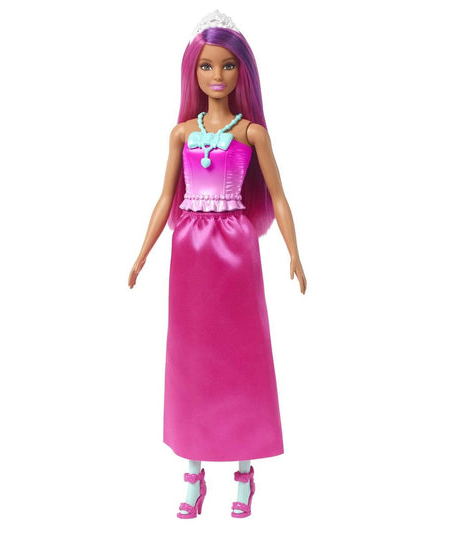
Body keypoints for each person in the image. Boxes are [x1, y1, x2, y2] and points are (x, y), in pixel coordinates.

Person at [128, 10, 307, 519]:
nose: (217, 75)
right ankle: (193, 472)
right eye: (207, 66)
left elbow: (278, 195)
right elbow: (165, 198)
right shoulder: (182, 134)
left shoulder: (251, 133)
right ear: (194, 71)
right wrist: (142, 253)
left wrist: (294, 252)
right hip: (190, 251)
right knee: (191, 359)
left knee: (241, 356)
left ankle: (244, 470)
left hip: (234, 248)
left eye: (228, 65)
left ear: (242, 71)